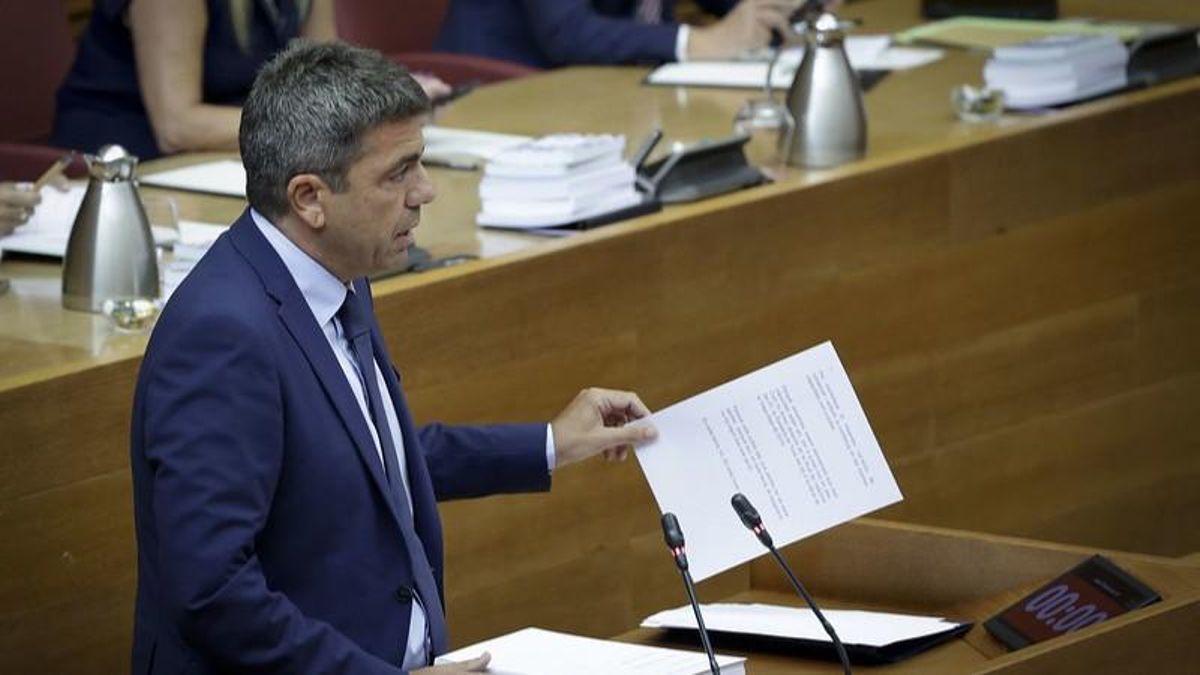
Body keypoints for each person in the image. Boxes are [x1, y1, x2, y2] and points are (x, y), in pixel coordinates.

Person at [129, 39, 656, 674]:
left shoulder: (334, 273)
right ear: (309, 198)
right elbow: (212, 594)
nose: (425, 191)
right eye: (398, 173)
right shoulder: (222, 335)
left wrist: (550, 444)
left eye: (420, 163)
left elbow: (366, 459)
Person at [51, 0, 450, 161]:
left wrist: (387, 97)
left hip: (239, 152)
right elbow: (177, 126)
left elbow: (325, 76)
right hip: (131, 163)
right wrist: (337, 120)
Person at [435, 0, 804, 67]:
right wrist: (698, 42)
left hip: (604, 86)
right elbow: (569, 33)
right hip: (502, 90)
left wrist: (779, 8)